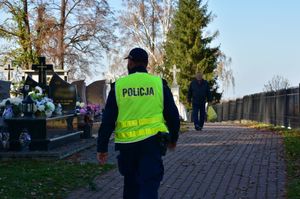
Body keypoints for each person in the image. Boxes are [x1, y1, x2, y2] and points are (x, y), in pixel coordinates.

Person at [97, 47, 180, 199]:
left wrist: (102, 147)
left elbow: (108, 120)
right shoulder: (158, 84)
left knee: (130, 186)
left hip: (127, 146)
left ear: (131, 62)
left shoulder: (119, 86)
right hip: (152, 143)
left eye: (128, 61)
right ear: (146, 64)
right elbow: (172, 115)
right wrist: (174, 138)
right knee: (149, 185)